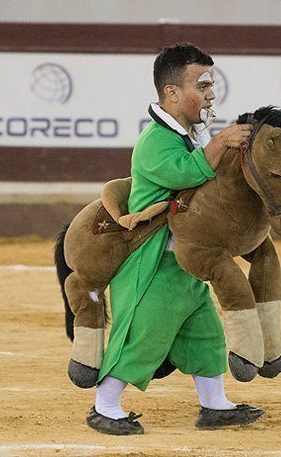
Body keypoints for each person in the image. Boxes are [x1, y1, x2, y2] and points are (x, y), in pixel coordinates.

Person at [86, 43, 265, 435]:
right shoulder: (155, 140)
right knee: (142, 334)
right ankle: (105, 406)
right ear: (170, 93)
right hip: (151, 261)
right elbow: (187, 174)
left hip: (183, 261)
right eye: (201, 86)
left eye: (211, 86)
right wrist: (220, 143)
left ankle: (214, 405)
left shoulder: (187, 134)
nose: (210, 94)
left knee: (205, 334)